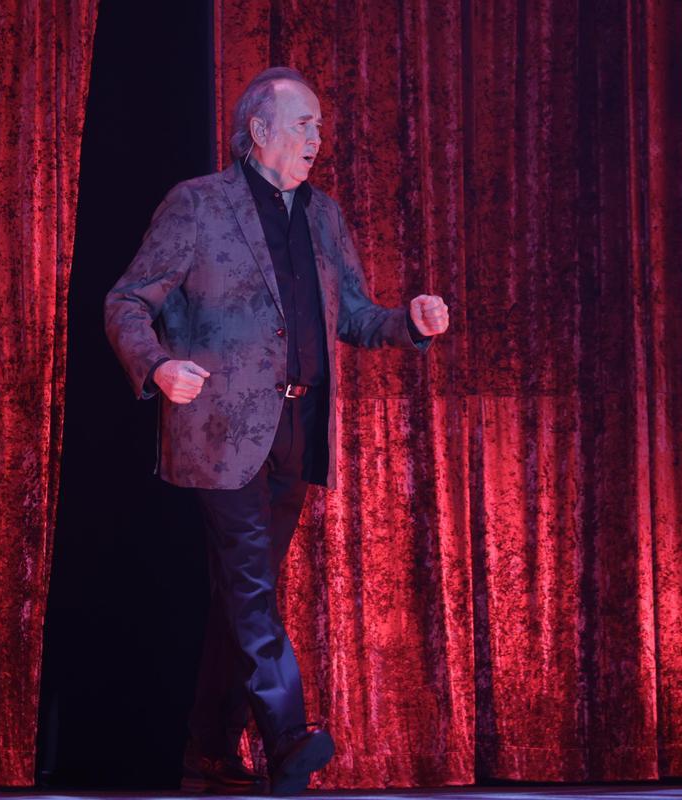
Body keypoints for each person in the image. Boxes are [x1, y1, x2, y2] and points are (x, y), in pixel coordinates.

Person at [104, 66, 449, 795]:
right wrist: (158, 366)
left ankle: (207, 755)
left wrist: (408, 326)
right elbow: (128, 299)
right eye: (304, 124)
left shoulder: (322, 216)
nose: (318, 138)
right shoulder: (198, 205)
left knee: (241, 596)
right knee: (253, 588)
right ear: (259, 131)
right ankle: (288, 738)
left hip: (296, 427)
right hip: (219, 429)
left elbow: (354, 315)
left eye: (320, 126)